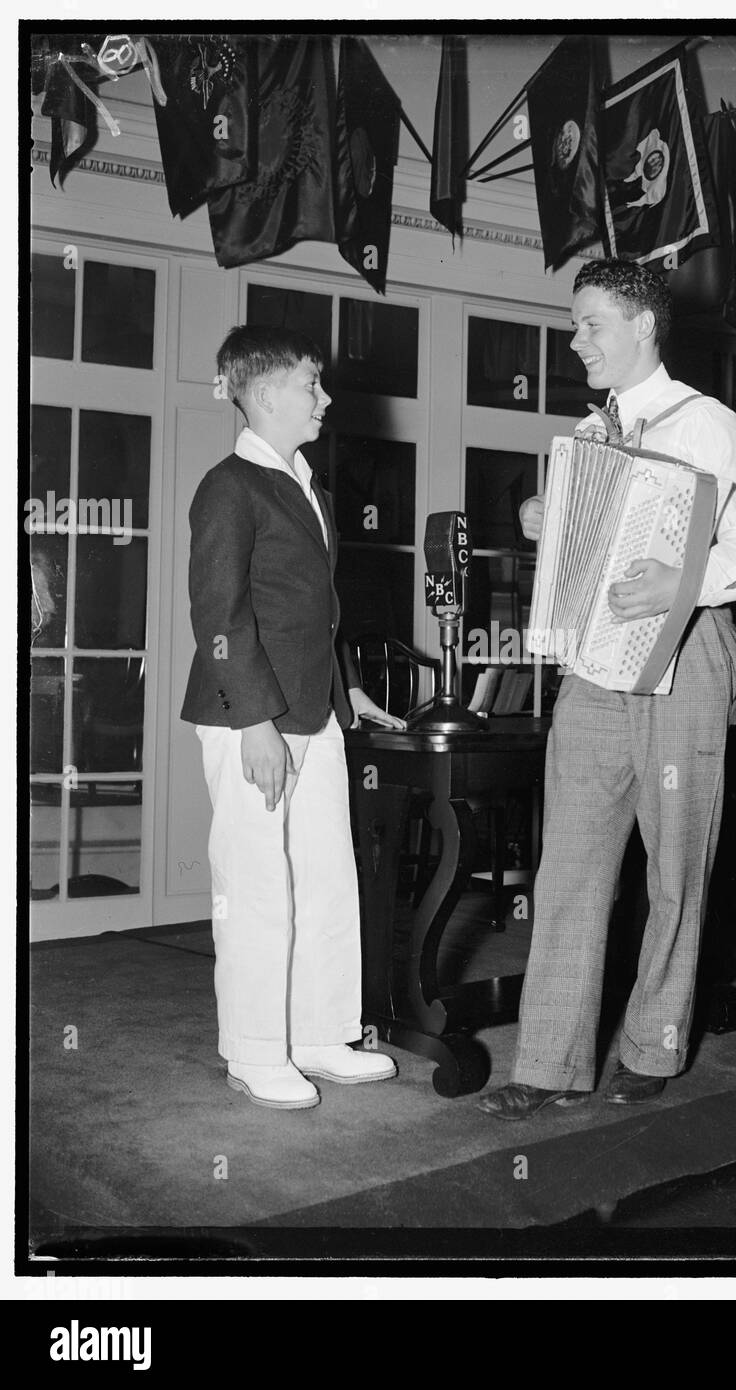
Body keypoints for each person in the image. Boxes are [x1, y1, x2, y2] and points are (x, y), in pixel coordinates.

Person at [478, 258, 736, 1120]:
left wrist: (680, 583)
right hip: (597, 665)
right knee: (567, 862)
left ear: (643, 325)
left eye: (591, 324)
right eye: (575, 326)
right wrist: (544, 520)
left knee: (676, 865)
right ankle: (546, 1062)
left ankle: (652, 1046)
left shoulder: (704, 422)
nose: (576, 342)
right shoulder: (588, 432)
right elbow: (587, 549)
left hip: (685, 652)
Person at [181, 324, 402, 1109]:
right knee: (257, 883)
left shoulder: (307, 485)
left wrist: (350, 694)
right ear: (267, 393)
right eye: (313, 384)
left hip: (316, 712)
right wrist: (252, 722)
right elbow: (218, 611)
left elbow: (316, 616)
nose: (326, 398)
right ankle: (253, 1050)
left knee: (325, 879)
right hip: (252, 715)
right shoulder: (229, 485)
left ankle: (318, 1034)